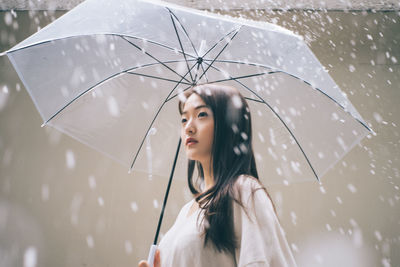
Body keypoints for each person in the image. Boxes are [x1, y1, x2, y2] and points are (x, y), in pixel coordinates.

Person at [139, 84, 297, 267]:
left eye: (201, 115)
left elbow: (258, 262)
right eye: (184, 119)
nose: (188, 127)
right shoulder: (186, 212)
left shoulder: (244, 190)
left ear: (228, 124)